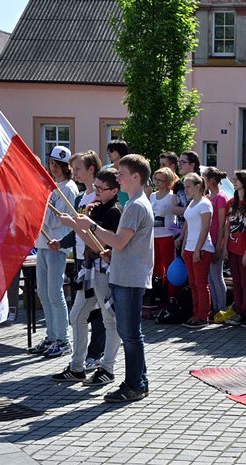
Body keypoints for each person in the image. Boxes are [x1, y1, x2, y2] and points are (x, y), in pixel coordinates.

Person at [73, 154, 154, 403]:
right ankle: (138, 380)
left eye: (121, 174)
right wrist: (112, 253)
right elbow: (122, 245)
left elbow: (120, 241)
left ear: (136, 177)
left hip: (130, 278)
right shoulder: (135, 203)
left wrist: (92, 227)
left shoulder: (135, 205)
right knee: (129, 332)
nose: (117, 177)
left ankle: (134, 385)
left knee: (129, 333)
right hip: (127, 273)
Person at [54, 168, 123, 386]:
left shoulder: (115, 211)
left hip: (104, 269)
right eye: (96, 187)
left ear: (114, 190)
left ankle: (107, 368)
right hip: (90, 268)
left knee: (109, 320)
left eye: (102, 189)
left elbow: (103, 246)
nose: (97, 192)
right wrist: (76, 225)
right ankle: (77, 367)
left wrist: (77, 225)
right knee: (77, 316)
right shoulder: (95, 207)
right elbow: (88, 239)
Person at [51, 150, 106, 372]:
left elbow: (94, 230)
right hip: (81, 259)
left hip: (96, 260)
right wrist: (62, 242)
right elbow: (76, 233)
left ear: (91, 169)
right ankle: (81, 356)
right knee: (82, 312)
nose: (75, 173)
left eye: (78, 169)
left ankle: (96, 353)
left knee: (97, 311)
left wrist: (74, 225)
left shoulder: (100, 198)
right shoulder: (79, 197)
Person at [29, 146, 78, 358]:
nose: (54, 169)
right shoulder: (51, 186)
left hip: (56, 245)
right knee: (43, 293)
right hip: (42, 243)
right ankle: (51, 336)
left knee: (54, 292)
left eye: (57, 165)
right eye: (51, 164)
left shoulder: (68, 188)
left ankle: (62, 339)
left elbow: (61, 218)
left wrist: (42, 213)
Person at [180, 172, 215, 328]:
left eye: (188, 186)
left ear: (198, 187)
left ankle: (203, 316)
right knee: (193, 283)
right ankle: (195, 314)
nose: (186, 190)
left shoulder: (205, 204)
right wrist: (184, 246)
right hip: (190, 247)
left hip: (202, 248)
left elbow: (205, 228)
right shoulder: (192, 203)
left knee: (201, 284)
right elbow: (189, 227)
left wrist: (197, 249)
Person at [225, 170, 246, 325]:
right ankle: (236, 309)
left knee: (245, 281)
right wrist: (224, 248)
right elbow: (227, 226)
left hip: (244, 249)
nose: (234, 182)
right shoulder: (231, 203)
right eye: (233, 179)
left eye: (237, 179)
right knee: (235, 280)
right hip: (232, 247)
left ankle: (244, 311)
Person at [202, 167, 229, 313]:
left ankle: (221, 308)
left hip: (215, 242)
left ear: (211, 180)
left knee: (217, 276)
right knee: (209, 278)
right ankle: (214, 308)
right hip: (207, 243)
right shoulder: (207, 197)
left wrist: (219, 245)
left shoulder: (221, 197)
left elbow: (222, 223)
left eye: (204, 178)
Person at [151, 167, 179, 301]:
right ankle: (159, 295)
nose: (157, 182)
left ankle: (171, 296)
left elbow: (176, 218)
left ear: (168, 182)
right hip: (153, 235)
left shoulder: (172, 196)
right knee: (156, 267)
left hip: (167, 235)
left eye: (160, 180)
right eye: (155, 179)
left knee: (169, 267)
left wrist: (176, 234)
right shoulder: (152, 195)